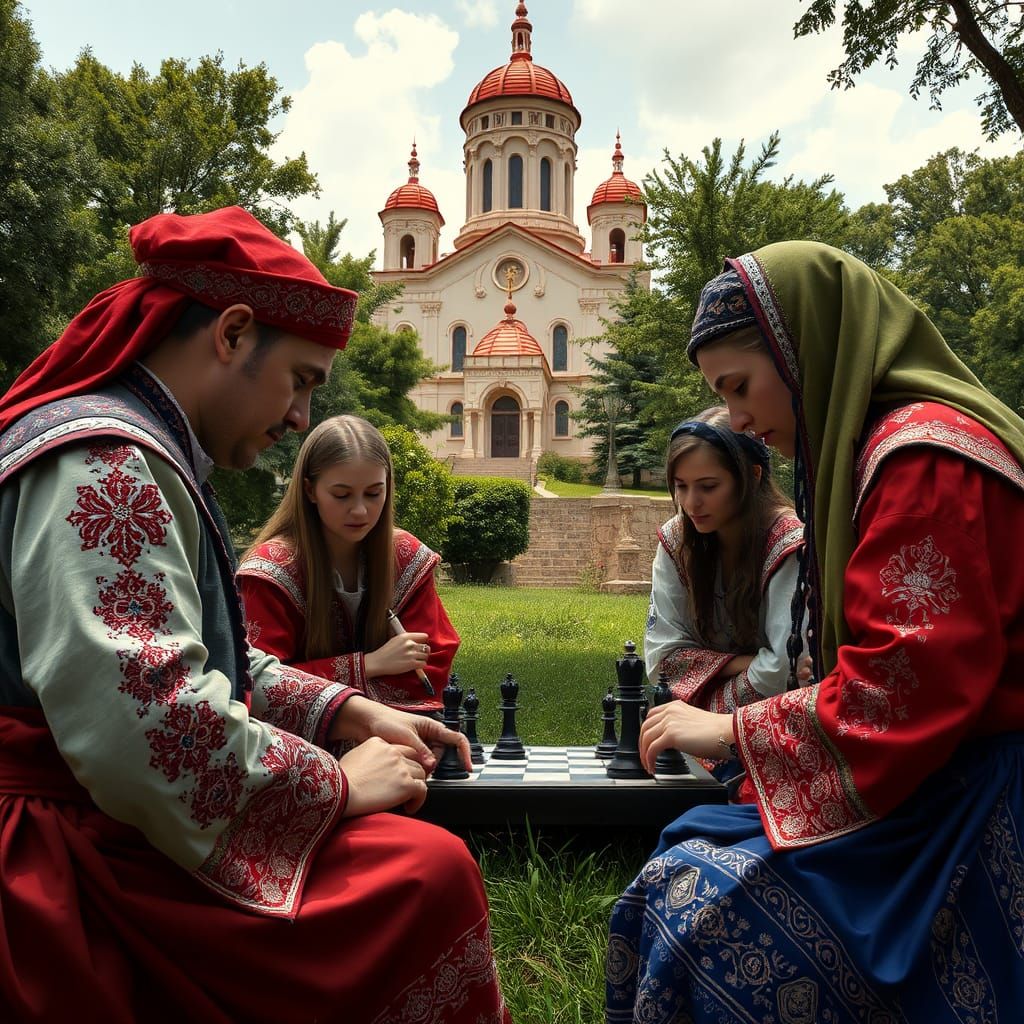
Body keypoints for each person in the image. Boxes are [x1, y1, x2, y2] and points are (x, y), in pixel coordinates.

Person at [0, 206, 510, 1023]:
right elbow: (146, 729)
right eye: (302, 379)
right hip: (66, 847)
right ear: (233, 334)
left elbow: (207, 658)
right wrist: (337, 784)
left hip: (110, 808)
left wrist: (349, 710)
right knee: (425, 876)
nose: (304, 417)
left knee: (419, 864)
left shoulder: (138, 449)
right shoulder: (104, 465)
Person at [606, 241, 1024, 1021]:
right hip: (932, 778)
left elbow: (901, 691)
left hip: (970, 804)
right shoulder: (877, 456)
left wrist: (733, 731)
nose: (736, 419)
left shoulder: (924, 461)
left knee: (695, 907)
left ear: (805, 352)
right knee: (690, 839)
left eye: (738, 387)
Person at [237, 414, 458, 714]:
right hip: (303, 748)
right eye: (341, 495)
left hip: (397, 739)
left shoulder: (405, 556)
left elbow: (430, 665)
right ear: (309, 490)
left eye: (373, 493)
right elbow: (259, 685)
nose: (359, 510)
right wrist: (367, 666)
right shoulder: (270, 570)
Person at [645, 404, 803, 723]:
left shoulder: (788, 542)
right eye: (681, 486)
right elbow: (661, 660)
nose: (691, 503)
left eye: (708, 487)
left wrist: (708, 712)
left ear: (752, 476)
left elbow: (782, 669)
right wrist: (746, 662)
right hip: (686, 728)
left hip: (776, 726)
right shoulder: (678, 540)